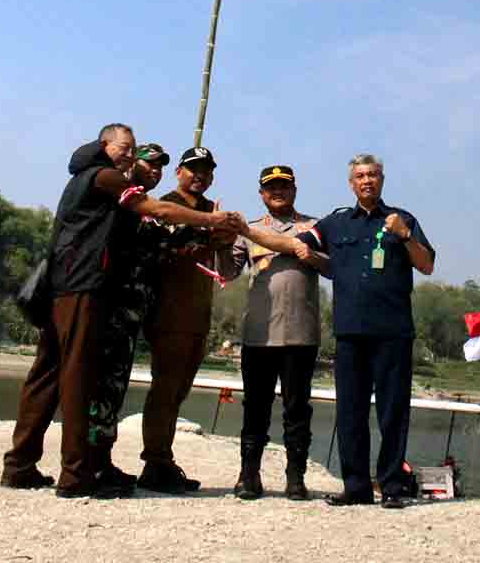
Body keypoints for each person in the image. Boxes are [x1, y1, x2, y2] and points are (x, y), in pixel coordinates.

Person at [0, 126, 242, 498]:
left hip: (70, 288)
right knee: (81, 379)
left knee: (48, 374)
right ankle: (79, 474)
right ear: (105, 147)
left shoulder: (97, 183)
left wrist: (207, 233)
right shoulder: (107, 178)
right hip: (87, 288)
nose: (138, 162)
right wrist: (211, 221)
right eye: (129, 151)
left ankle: (22, 465)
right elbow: (154, 211)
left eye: (150, 161)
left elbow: (156, 238)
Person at [243, 153, 434, 509]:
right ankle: (356, 487)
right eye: (360, 176)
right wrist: (245, 231)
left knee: (393, 412)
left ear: (382, 179)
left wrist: (405, 236)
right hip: (349, 334)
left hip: (393, 332)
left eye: (373, 175)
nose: (367, 181)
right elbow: (295, 245)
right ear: (351, 183)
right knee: (350, 412)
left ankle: (392, 486)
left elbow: (426, 265)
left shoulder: (403, 219)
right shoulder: (334, 223)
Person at [216, 164, 329, 501]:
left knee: (297, 409)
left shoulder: (315, 227)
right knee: (255, 408)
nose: (277, 192)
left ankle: (296, 478)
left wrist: (311, 255)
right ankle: (248, 475)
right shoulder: (247, 230)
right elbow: (227, 272)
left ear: (294, 190)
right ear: (261, 194)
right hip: (258, 334)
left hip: (301, 334)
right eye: (271, 187)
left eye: (284, 186)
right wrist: (221, 241)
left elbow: (332, 267)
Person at [138, 146, 234, 493]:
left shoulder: (212, 209)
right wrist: (206, 231)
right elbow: (163, 247)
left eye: (206, 170)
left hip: (198, 311)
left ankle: (163, 457)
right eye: (194, 169)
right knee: (165, 388)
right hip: (169, 310)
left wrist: (225, 234)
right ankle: (155, 461)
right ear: (179, 171)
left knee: (179, 390)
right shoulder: (164, 204)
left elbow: (223, 249)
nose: (200, 176)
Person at [86, 143, 170, 492]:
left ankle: (100, 460)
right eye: (149, 163)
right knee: (102, 388)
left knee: (114, 388)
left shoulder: (145, 211)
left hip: (131, 314)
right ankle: (91, 464)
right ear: (133, 163)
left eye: (160, 166)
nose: (155, 170)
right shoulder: (123, 201)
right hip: (111, 310)